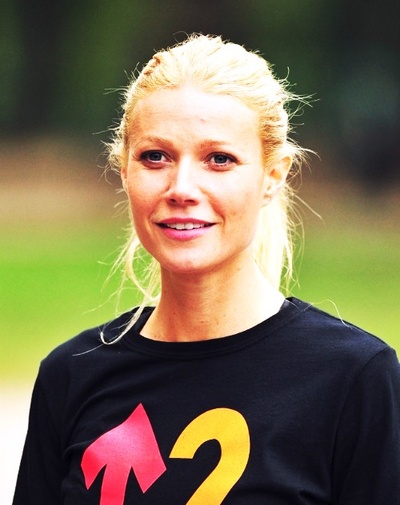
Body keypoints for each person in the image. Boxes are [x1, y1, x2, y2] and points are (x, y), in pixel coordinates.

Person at [13, 34, 400, 505]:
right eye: (155, 157)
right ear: (124, 171)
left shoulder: (354, 378)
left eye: (219, 159)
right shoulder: (71, 375)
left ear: (272, 176)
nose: (182, 188)